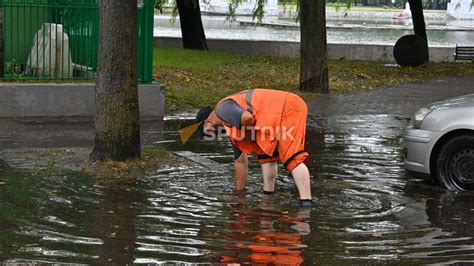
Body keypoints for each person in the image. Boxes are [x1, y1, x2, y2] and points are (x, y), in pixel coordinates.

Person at [196, 88, 313, 206]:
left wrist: (248, 136)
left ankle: (306, 204)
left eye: (211, 133)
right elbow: (240, 161)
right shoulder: (230, 125)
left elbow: (247, 118)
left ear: (207, 123)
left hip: (289, 107)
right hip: (273, 116)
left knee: (291, 158)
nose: (216, 135)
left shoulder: (222, 109)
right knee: (266, 156)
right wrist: (239, 194)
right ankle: (268, 196)